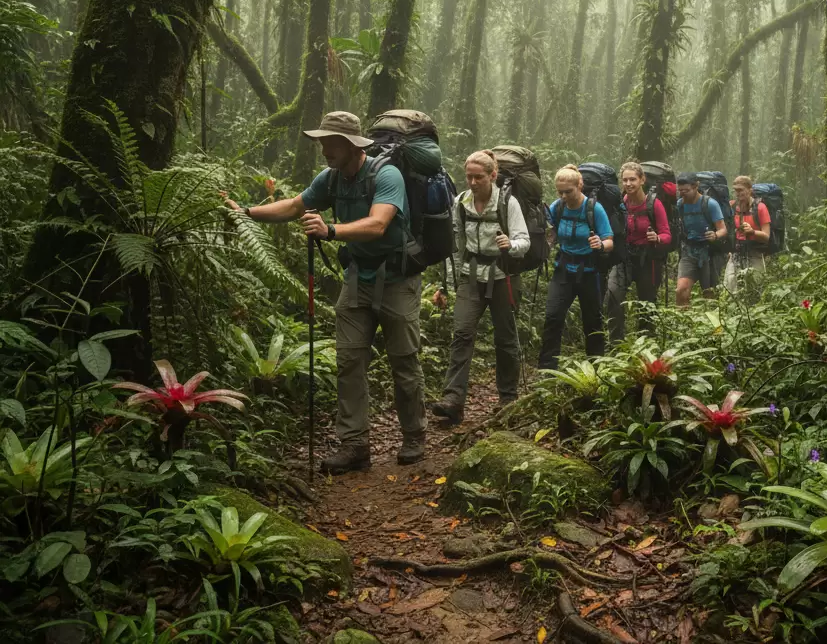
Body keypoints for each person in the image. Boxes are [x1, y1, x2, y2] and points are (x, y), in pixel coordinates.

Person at [222, 111, 425, 474]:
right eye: (322, 142)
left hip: (397, 279)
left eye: (330, 143)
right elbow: (295, 206)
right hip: (357, 278)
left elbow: (379, 224)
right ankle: (354, 445)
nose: (324, 149)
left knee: (404, 361)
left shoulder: (386, 174)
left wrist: (330, 230)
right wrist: (247, 212)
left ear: (350, 145)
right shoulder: (330, 178)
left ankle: (413, 434)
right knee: (349, 361)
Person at [431, 150, 530, 424]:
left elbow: (525, 241)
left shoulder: (508, 203)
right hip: (471, 276)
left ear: (493, 175)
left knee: (505, 339)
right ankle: (453, 400)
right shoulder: (460, 202)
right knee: (462, 333)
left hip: (503, 275)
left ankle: (508, 398)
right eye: (469, 176)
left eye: (479, 177)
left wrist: (511, 245)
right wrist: (447, 286)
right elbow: (456, 247)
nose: (473, 182)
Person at [538, 165, 615, 369]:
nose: (564, 196)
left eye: (568, 191)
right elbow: (552, 230)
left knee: (592, 322)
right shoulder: (558, 206)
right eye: (560, 192)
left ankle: (596, 369)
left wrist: (599, 244)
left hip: (589, 273)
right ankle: (548, 370)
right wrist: (547, 243)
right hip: (563, 270)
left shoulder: (593, 209)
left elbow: (609, 241)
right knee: (553, 317)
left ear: (579, 185)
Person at [604, 162, 672, 342]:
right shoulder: (621, 203)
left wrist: (657, 238)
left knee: (647, 303)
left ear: (642, 180)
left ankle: (646, 342)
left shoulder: (654, 204)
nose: (628, 184)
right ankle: (616, 342)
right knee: (613, 296)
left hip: (647, 260)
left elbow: (667, 234)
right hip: (623, 258)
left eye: (632, 179)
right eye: (625, 180)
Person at [675, 172, 728, 308]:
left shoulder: (710, 204)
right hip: (688, 252)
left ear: (696, 186)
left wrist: (715, 235)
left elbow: (723, 229)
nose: (682, 194)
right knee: (681, 290)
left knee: (709, 295)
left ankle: (713, 327)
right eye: (680, 190)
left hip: (709, 253)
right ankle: (683, 325)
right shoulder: (680, 205)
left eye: (686, 190)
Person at [724, 175, 771, 295]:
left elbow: (766, 236)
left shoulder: (760, 208)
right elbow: (728, 230)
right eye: (735, 190)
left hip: (754, 252)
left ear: (750, 190)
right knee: (730, 289)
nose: (738, 193)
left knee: (755, 289)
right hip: (736, 253)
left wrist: (752, 232)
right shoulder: (732, 206)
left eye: (741, 190)